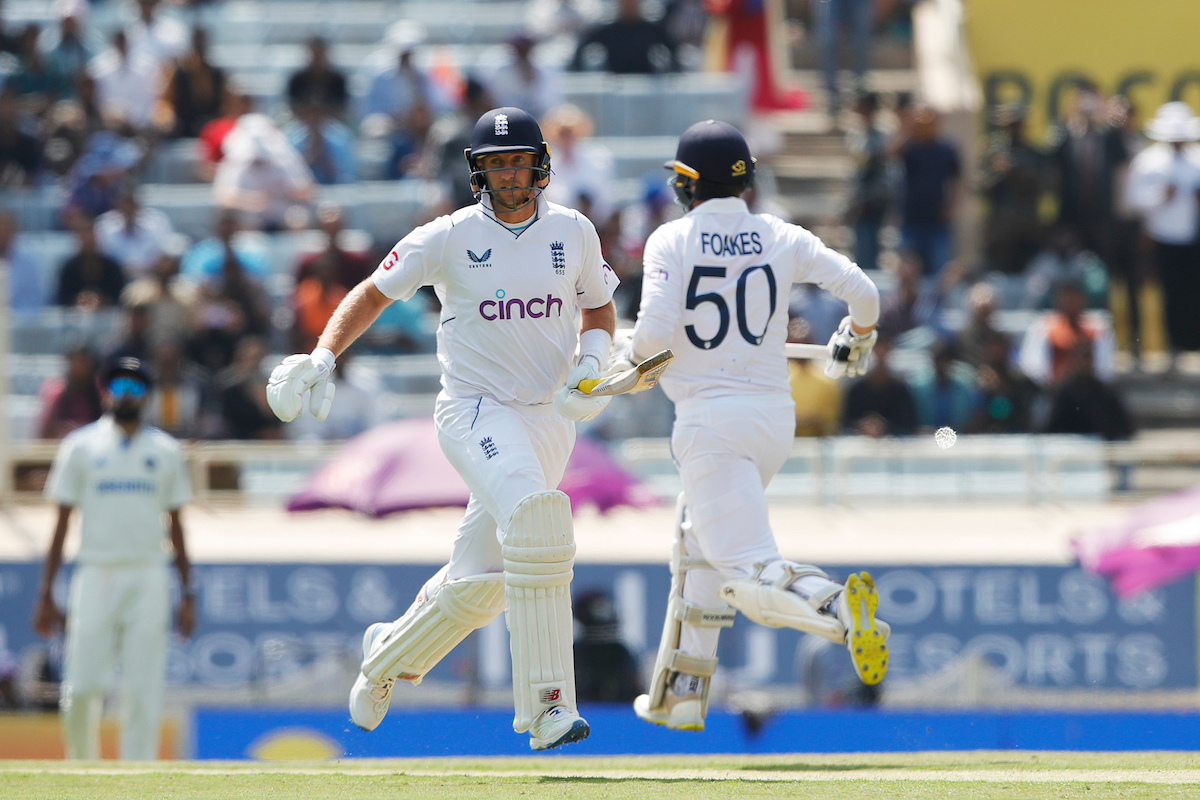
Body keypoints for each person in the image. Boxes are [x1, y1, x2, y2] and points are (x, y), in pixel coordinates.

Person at [264, 107, 618, 750]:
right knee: (539, 523)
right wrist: (323, 355)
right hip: (475, 411)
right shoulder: (448, 236)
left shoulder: (575, 232)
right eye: (496, 164)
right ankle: (547, 707)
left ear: (539, 164)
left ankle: (384, 656)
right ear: (478, 173)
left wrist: (591, 365)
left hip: (548, 422)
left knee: (481, 586)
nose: (509, 175)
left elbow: (598, 309)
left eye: (518, 162)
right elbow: (372, 292)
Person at [623, 119, 889, 732]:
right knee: (696, 547)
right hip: (773, 421)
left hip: (710, 423)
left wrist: (625, 361)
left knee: (746, 573)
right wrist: (857, 337)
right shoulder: (780, 235)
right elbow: (864, 293)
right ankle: (682, 697)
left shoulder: (671, 240)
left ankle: (836, 610)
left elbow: (654, 338)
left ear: (688, 184)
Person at [32, 357, 195, 760]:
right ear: (105, 393)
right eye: (118, 387)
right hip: (96, 572)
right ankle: (82, 769)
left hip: (148, 575)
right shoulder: (81, 446)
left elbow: (176, 527)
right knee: (83, 684)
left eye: (135, 389)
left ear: (147, 397)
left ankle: (136, 774)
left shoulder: (166, 450)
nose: (126, 395)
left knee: (143, 686)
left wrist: (188, 592)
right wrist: (46, 593)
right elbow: (61, 523)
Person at [1124, 101, 1200, 367]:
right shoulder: (1149, 161)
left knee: (1194, 294)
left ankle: (1194, 345)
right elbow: (1132, 199)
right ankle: (1174, 348)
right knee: (1169, 295)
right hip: (1162, 239)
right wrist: (1160, 197)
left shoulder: (1197, 160)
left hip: (1194, 239)